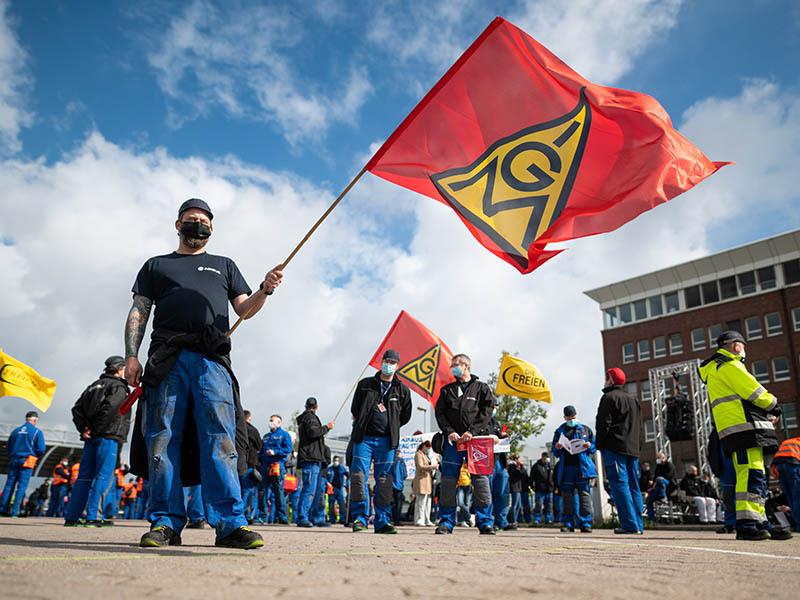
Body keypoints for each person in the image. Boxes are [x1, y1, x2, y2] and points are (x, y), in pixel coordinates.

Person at [125, 198, 282, 549]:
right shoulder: (156, 266)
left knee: (220, 437)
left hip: (211, 361)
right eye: (190, 219)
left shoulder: (224, 266)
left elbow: (245, 309)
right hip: (166, 359)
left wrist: (265, 289)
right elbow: (138, 311)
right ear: (177, 225)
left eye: (203, 220)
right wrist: (131, 356)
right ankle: (165, 523)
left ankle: (230, 524)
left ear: (212, 228)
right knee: (162, 439)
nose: (197, 224)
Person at [698, 330, 786, 541]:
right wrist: (774, 405)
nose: (744, 350)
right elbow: (754, 392)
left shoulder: (718, 368)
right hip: (745, 430)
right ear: (736, 346)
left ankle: (759, 521)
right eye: (743, 345)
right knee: (751, 476)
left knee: (755, 476)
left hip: (740, 430)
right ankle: (747, 524)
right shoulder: (729, 365)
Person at [349, 349, 413, 534]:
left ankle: (382, 521)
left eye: (392, 362)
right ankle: (359, 519)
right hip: (364, 440)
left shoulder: (402, 389)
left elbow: (406, 415)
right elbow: (355, 408)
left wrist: (392, 424)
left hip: (387, 442)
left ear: (397, 365)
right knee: (358, 477)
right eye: (386, 361)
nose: (388, 365)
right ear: (381, 362)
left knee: (384, 481)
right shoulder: (365, 385)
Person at [434, 353, 496, 535]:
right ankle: (446, 522)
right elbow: (440, 414)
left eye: (455, 365)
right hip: (453, 444)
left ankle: (485, 522)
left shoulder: (481, 388)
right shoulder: (447, 391)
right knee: (447, 482)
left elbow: (487, 412)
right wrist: (449, 432)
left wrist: (472, 432)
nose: (452, 368)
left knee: (481, 482)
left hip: (476, 442)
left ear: (466, 366)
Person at [64, 356, 131, 527]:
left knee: (84, 477)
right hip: (108, 436)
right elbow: (110, 408)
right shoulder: (118, 386)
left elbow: (76, 408)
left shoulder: (93, 386)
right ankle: (93, 516)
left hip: (92, 438)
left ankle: (72, 517)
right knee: (104, 477)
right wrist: (97, 429)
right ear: (119, 369)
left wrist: (84, 428)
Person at [595, 367, 643, 535]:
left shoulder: (608, 398)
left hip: (615, 448)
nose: (605, 380)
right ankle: (639, 524)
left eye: (607, 377)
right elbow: (639, 426)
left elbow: (603, 424)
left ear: (611, 380)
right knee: (634, 486)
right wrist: (639, 446)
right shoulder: (633, 400)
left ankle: (630, 525)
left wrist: (599, 444)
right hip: (633, 449)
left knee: (620, 485)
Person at [552, 405, 596, 533]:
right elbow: (554, 451)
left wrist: (589, 445)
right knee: (567, 497)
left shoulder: (586, 430)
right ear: (565, 417)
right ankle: (568, 523)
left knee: (585, 495)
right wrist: (557, 447)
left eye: (573, 417)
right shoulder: (560, 431)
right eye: (569, 417)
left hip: (582, 468)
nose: (571, 419)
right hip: (567, 468)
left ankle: (585, 523)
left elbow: (594, 446)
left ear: (576, 416)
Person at [296, 397, 335, 527]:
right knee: (309, 489)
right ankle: (303, 517)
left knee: (315, 490)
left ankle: (314, 518)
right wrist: (327, 427)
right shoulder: (310, 418)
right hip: (311, 458)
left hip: (313, 459)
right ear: (316, 407)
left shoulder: (306, 418)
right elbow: (314, 432)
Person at [1, 411, 46, 517]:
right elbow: (41, 449)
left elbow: (8, 448)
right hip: (27, 460)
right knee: (21, 486)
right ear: (35, 420)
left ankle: (3, 510)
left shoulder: (15, 431)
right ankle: (15, 512)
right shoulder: (36, 432)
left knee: (9, 485)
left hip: (14, 459)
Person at [260, 414, 293, 525]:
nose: (270, 422)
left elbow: (288, 449)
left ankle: (282, 517)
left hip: (277, 465)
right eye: (270, 420)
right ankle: (263, 516)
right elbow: (261, 451)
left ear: (279, 422)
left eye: (273, 420)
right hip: (265, 466)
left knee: (278, 492)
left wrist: (275, 452)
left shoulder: (284, 435)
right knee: (263, 491)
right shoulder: (265, 436)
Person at [772, 435, 799, 532]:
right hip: (793, 463)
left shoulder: (790, 441)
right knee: (797, 496)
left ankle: (797, 524)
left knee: (791, 497)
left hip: (779, 465)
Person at [241, 410, 262, 523]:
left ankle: (239, 514)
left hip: (236, 464)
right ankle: (248, 515)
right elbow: (259, 446)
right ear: (249, 418)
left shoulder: (235, 428)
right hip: (250, 463)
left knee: (239, 490)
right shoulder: (252, 430)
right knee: (249, 491)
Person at [413, 440, 437, 526]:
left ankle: (427, 519)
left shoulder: (426, 456)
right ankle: (419, 519)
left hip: (428, 480)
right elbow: (420, 466)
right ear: (423, 446)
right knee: (421, 501)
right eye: (427, 447)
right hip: (421, 480)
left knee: (428, 501)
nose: (428, 449)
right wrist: (432, 466)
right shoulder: (418, 454)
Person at [646, 452, 675, 523]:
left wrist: (657, 480)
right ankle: (651, 518)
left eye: (659, 458)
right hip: (658, 487)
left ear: (663, 458)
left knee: (660, 479)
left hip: (668, 484)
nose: (658, 459)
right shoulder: (658, 467)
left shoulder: (669, 465)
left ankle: (663, 496)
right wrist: (652, 487)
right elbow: (655, 478)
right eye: (657, 458)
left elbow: (669, 476)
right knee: (649, 499)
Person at [530, 452, 554, 525]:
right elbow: (531, 477)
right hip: (539, 489)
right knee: (539, 505)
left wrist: (553, 486)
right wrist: (532, 487)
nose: (546, 459)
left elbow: (553, 477)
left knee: (549, 505)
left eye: (547, 457)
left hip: (549, 489)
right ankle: (537, 519)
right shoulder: (536, 466)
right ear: (542, 457)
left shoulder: (550, 466)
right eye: (545, 457)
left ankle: (548, 519)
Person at [327, 455, 348, 524]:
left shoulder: (342, 468)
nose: (336, 462)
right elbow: (326, 477)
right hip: (331, 488)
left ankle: (342, 519)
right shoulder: (329, 469)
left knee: (341, 504)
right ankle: (332, 519)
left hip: (339, 488)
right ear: (333, 461)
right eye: (335, 460)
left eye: (337, 460)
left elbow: (347, 474)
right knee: (331, 504)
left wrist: (347, 481)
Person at [507, 455, 526, 525]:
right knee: (514, 505)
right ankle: (513, 520)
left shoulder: (516, 467)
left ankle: (516, 519)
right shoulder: (512, 467)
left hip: (518, 488)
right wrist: (522, 467)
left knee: (518, 505)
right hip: (514, 488)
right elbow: (520, 474)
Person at [391, 454, 408, 525]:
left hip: (389, 484)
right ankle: (397, 520)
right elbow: (404, 474)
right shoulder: (401, 461)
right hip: (399, 484)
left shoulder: (389, 460)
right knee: (398, 503)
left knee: (389, 502)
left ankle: (388, 518)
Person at [456, 462, 472, 526]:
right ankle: (469, 517)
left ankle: (462, 521)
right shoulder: (458, 464)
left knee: (467, 504)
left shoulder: (469, 465)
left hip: (468, 486)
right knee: (460, 503)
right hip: (460, 486)